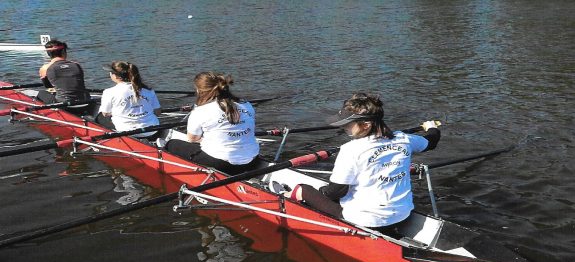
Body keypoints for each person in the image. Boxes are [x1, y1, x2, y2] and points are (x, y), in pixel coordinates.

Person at [285, 93, 441, 239]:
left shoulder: (351, 150)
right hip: (402, 215)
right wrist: (432, 127)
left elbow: (336, 192)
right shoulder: (405, 139)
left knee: (304, 189)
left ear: (366, 124)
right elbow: (431, 142)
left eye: (348, 125)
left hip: (366, 221)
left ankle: (291, 198)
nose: (344, 128)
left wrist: (318, 194)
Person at [164, 72, 260, 175]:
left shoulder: (200, 111)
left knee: (171, 144)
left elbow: (192, 139)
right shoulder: (246, 104)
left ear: (199, 90)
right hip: (253, 160)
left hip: (222, 164)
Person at [97, 61, 162, 139]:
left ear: (117, 76)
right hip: (153, 130)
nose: (110, 74)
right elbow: (158, 112)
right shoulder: (148, 90)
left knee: (100, 117)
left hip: (127, 132)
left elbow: (105, 114)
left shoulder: (109, 92)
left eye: (111, 72)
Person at [37, 39, 91, 115]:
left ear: (48, 54)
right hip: (85, 102)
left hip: (64, 105)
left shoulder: (44, 68)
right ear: (63, 52)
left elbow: (48, 86)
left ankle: (46, 114)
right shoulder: (77, 65)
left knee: (41, 93)